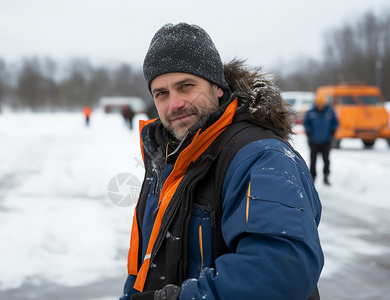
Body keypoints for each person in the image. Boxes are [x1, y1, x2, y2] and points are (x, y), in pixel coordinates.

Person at [120, 23, 323, 300]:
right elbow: (143, 267)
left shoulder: (260, 157)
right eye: (162, 93)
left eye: (186, 86)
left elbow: (283, 271)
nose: (174, 103)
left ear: (217, 86)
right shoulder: (164, 159)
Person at [303, 97, 338, 185]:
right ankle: (313, 177)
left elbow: (335, 122)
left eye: (322, 104)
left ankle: (326, 176)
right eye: (319, 104)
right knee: (313, 160)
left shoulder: (330, 112)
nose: (320, 106)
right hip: (314, 141)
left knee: (326, 159)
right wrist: (309, 132)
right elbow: (306, 123)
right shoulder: (311, 112)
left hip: (326, 140)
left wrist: (332, 131)